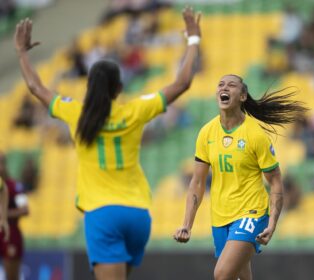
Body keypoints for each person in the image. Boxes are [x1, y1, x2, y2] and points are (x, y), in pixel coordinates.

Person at [14, 6, 201, 280]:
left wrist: (22, 53)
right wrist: (193, 39)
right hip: (138, 216)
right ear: (119, 89)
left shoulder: (75, 112)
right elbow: (182, 83)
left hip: (102, 216)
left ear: (89, 87)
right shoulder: (135, 110)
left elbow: (36, 88)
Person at [174, 75, 307, 280]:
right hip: (220, 216)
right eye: (220, 84)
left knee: (222, 275)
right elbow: (198, 182)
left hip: (251, 213)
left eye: (231, 85)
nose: (224, 88)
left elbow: (275, 180)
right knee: (242, 277)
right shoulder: (206, 133)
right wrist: (186, 224)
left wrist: (271, 223)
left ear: (243, 96)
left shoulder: (255, 135)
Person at [0, 153, 29, 280]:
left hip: (10, 234)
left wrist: (4, 215)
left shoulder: (14, 186)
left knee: (12, 276)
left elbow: (25, 210)